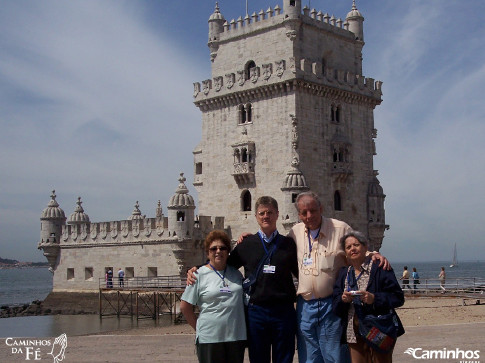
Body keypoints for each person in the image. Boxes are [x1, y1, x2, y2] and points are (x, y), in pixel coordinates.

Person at [188, 196, 298, 363]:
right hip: (257, 312)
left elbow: (301, 274)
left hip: (283, 312)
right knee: (258, 358)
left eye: (269, 212)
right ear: (256, 217)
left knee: (284, 358)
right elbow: (223, 262)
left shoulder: (288, 244)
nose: (265, 216)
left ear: (277, 214)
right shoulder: (246, 245)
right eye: (262, 213)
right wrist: (198, 268)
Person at [288, 191, 389, 363]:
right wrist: (247, 238)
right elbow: (278, 249)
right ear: (299, 214)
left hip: (331, 303)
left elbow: (356, 247)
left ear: (321, 208)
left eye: (313, 210)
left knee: (334, 355)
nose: (309, 216)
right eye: (304, 212)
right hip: (305, 306)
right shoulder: (295, 232)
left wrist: (374, 254)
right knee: (308, 356)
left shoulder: (340, 228)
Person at [333, 231, 404, 363]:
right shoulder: (344, 273)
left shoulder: (380, 268)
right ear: (345, 253)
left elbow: (398, 297)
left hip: (379, 330)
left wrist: (374, 299)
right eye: (348, 247)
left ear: (365, 248)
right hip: (353, 333)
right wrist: (343, 300)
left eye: (356, 245)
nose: (352, 249)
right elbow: (335, 304)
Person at [180, 230, 247, 363]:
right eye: (213, 248)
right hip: (209, 338)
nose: (218, 251)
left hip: (236, 336)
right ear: (207, 253)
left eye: (222, 248)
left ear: (228, 251)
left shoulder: (236, 274)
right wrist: (199, 328)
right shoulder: (198, 275)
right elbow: (185, 306)